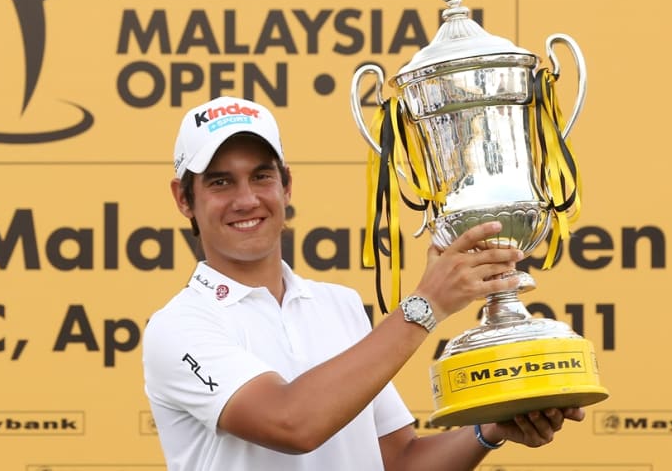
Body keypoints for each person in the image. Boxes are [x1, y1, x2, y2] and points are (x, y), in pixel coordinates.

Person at [142, 96, 585, 470]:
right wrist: (424, 305)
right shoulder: (178, 327)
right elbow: (291, 423)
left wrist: (491, 430)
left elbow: (401, 460)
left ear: (286, 186)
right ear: (184, 199)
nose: (246, 199)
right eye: (221, 182)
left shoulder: (338, 304)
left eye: (262, 176)